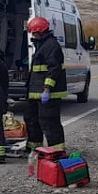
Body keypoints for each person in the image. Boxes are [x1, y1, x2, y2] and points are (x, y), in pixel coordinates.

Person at [24, 16, 67, 152]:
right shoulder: (42, 45)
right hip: (35, 92)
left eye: (34, 32)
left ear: (40, 32)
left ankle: (57, 151)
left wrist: (47, 89)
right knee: (32, 120)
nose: (33, 35)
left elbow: (54, 69)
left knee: (49, 121)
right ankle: (34, 148)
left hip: (48, 93)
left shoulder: (51, 46)